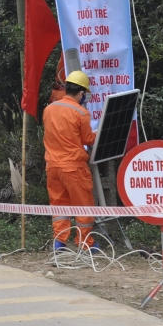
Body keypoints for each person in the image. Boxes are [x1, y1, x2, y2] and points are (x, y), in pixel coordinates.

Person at [42, 69, 98, 251]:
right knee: (83, 206)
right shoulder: (81, 113)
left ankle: (59, 243)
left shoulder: (49, 109)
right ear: (81, 93)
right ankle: (85, 243)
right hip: (73, 167)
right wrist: (98, 134)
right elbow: (87, 139)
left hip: (52, 167)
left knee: (59, 207)